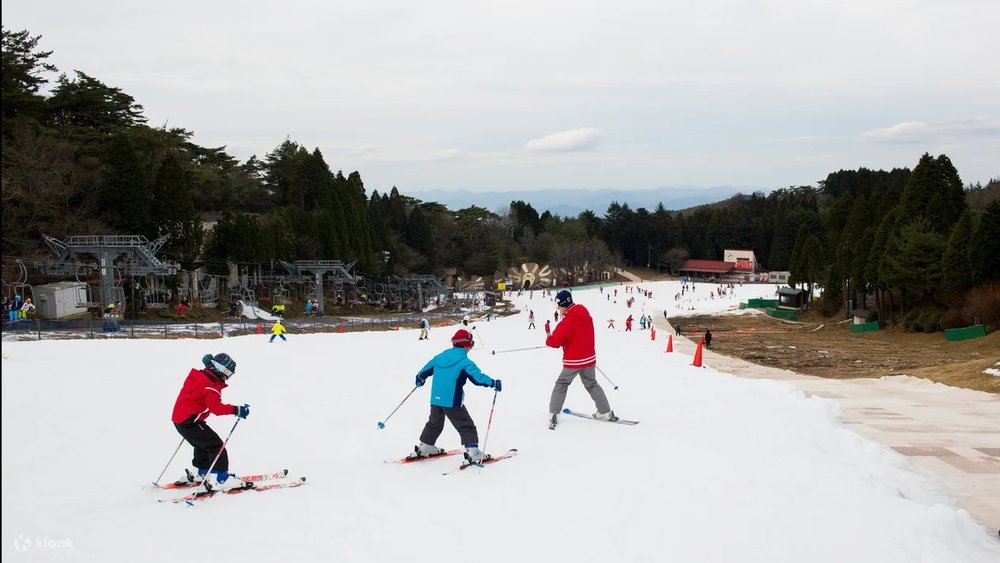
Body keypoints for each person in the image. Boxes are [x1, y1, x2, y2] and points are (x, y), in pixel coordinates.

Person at [410, 329, 502, 464]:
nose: (471, 347)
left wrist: (420, 379)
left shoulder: (439, 357)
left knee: (434, 423)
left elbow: (424, 371)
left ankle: (425, 446)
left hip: (436, 398)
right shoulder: (465, 362)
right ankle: (473, 452)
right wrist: (493, 382)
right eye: (472, 344)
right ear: (466, 345)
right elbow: (478, 378)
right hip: (452, 400)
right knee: (466, 425)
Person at [171, 353, 250, 491]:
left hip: (180, 420)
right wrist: (237, 410)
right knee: (216, 446)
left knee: (203, 445)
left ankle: (203, 472)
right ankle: (220, 478)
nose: (227, 378)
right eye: (227, 373)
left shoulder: (199, 377)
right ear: (220, 370)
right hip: (190, 421)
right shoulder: (210, 385)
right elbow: (216, 408)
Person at [546, 290, 616, 425]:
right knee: (591, 384)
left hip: (574, 361)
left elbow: (554, 342)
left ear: (563, 305)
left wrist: (548, 334)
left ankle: (553, 413)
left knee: (562, 384)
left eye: (558, 306)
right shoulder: (585, 315)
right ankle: (605, 412)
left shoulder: (568, 321)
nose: (558, 309)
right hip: (589, 358)